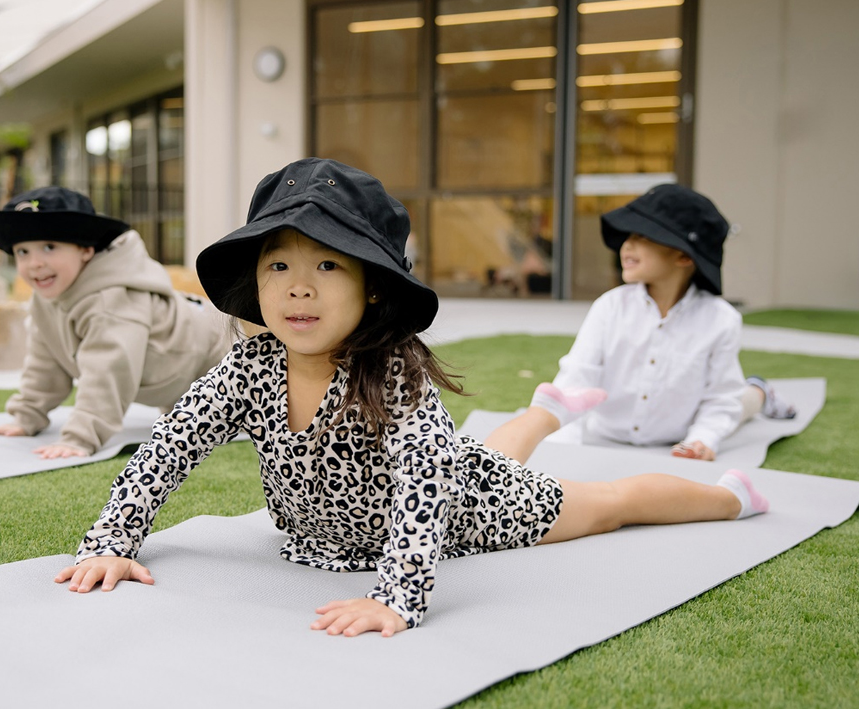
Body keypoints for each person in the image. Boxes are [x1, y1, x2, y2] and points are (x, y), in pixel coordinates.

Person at [55, 159, 769, 638]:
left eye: (327, 263)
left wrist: (396, 594)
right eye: (278, 264)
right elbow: (168, 448)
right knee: (480, 452)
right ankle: (544, 409)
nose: (298, 286)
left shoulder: (390, 371)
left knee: (605, 504)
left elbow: (428, 487)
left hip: (472, 510)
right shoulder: (248, 367)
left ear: (371, 286)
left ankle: (730, 496)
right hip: (350, 528)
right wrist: (112, 540)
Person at [485, 184, 796, 465]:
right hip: (606, 431)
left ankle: (759, 391)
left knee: (738, 405)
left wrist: (702, 439)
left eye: (642, 236)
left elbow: (719, 398)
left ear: (684, 257)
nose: (626, 246)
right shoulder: (610, 307)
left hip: (678, 429)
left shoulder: (720, 319)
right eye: (627, 235)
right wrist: (562, 449)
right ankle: (757, 389)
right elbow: (575, 382)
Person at [0, 186, 232, 458]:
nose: (34, 263)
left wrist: (81, 437)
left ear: (85, 249)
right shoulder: (47, 299)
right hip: (178, 382)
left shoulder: (112, 299)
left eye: (49, 247)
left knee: (231, 418)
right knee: (187, 421)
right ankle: (189, 407)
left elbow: (108, 368)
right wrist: (26, 417)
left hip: (221, 360)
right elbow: (45, 362)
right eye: (22, 252)